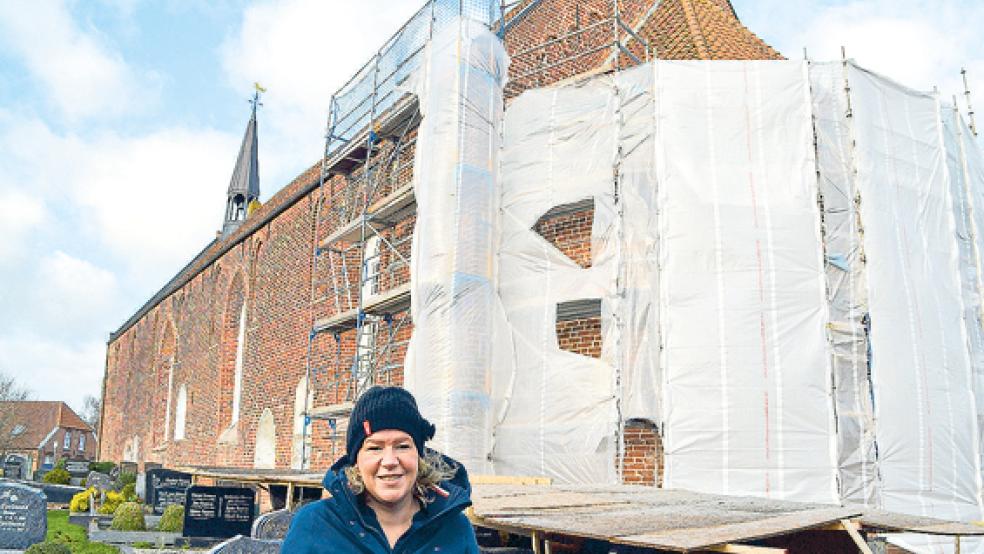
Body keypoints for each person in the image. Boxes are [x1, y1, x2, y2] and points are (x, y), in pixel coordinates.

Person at [282, 386, 479, 553]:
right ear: (355, 461)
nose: (390, 461)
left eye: (402, 446)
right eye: (375, 448)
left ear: (420, 457)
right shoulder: (314, 525)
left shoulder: (455, 529)